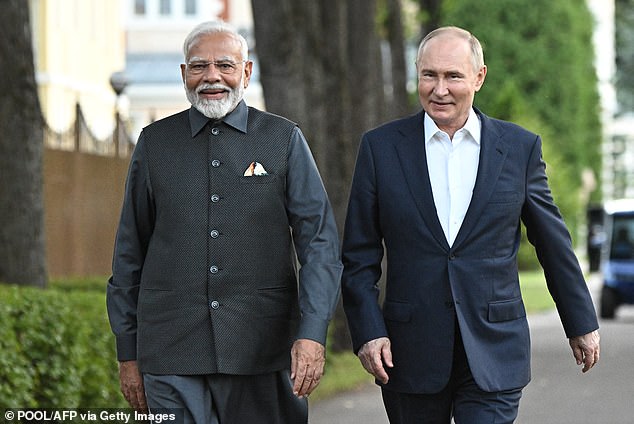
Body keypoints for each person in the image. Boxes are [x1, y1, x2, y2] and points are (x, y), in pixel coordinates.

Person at [341, 26, 600, 424]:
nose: (439, 89)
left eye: (453, 76)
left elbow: (552, 243)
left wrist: (580, 322)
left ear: (479, 77)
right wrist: (368, 330)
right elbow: (358, 255)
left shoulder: (519, 148)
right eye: (429, 75)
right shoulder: (380, 148)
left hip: (495, 349)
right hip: (409, 352)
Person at [106, 21, 342, 424]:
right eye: (199, 66)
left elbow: (318, 244)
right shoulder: (154, 143)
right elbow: (130, 253)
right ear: (184, 74)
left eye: (225, 65)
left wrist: (312, 332)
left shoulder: (283, 139)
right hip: (170, 353)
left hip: (264, 349)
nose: (212, 76)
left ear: (246, 72)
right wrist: (128, 351)